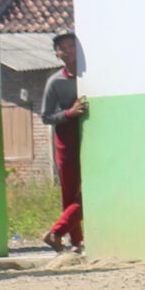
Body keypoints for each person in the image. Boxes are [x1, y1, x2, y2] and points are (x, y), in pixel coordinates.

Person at [40, 31, 87, 253]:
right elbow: (46, 116)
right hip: (67, 144)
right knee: (70, 195)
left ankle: (57, 233)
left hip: (92, 142)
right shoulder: (55, 82)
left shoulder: (91, 75)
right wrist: (69, 113)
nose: (68, 51)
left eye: (71, 46)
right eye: (63, 48)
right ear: (57, 54)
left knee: (88, 193)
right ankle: (75, 241)